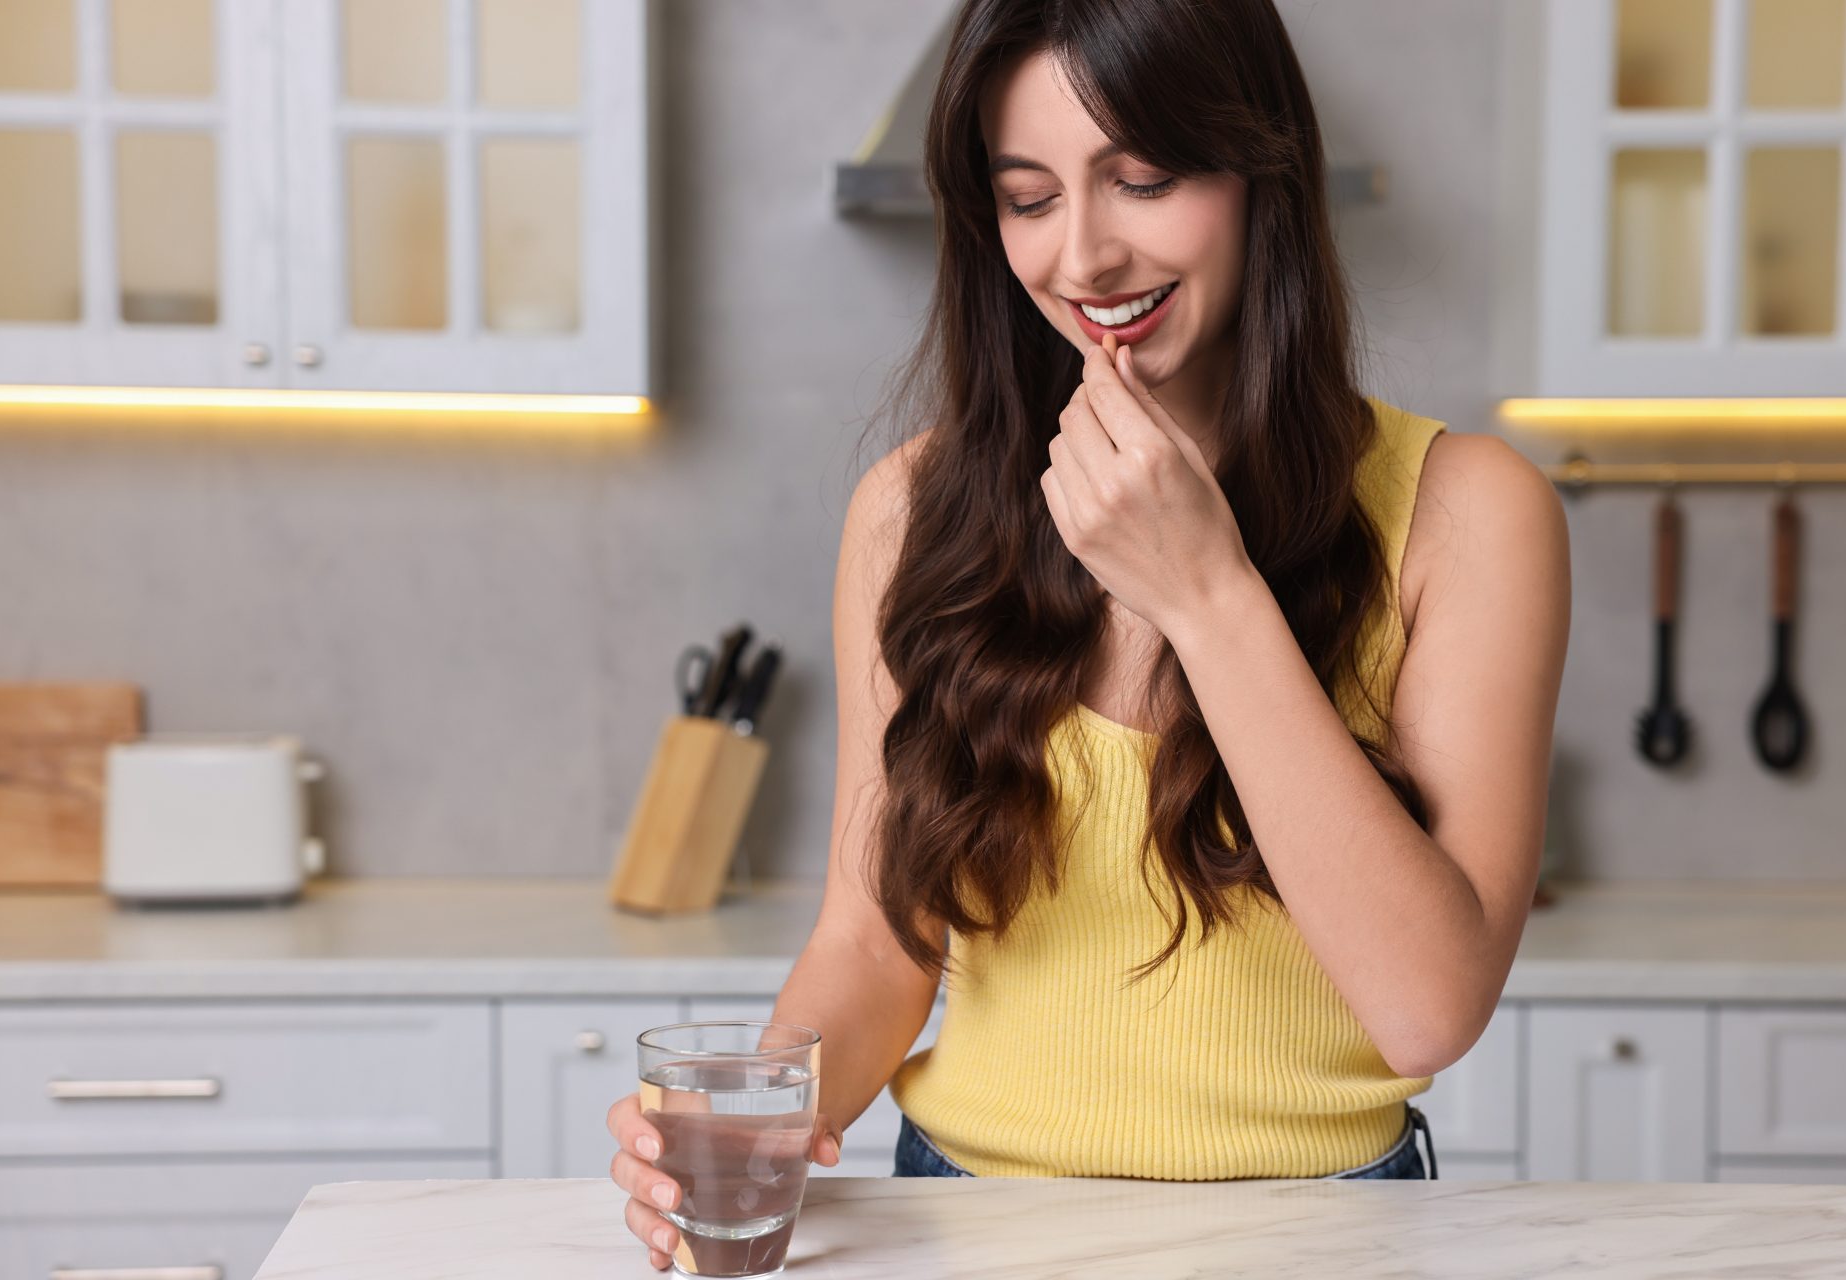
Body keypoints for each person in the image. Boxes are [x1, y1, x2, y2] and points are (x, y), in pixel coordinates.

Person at [609, 0, 1569, 1262]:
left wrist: (1207, 592)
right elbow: (873, 941)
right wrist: (756, 1117)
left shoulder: (1466, 512)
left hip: (1323, 1231)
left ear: (1262, 169)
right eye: (1028, 197)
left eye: (1145, 179)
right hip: (967, 1220)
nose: (1083, 257)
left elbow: (1428, 1006)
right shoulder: (910, 511)